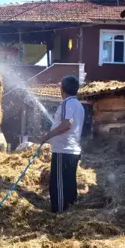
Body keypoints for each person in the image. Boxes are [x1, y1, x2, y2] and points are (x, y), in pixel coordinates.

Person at [40, 75, 85, 213]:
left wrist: (47, 136)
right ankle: (70, 212)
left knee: (58, 185)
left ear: (63, 89)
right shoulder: (79, 105)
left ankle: (59, 214)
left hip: (63, 151)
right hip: (72, 150)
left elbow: (67, 124)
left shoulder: (68, 103)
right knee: (70, 184)